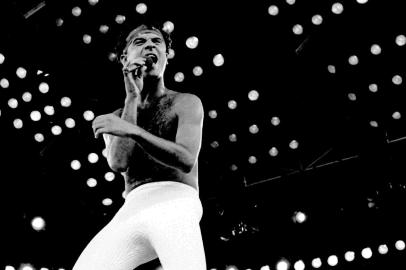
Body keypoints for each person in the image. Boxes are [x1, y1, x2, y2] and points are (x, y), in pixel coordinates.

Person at [73, 22, 206, 270]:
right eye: (140, 42)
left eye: (156, 42)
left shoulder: (186, 102)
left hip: (176, 200)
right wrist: (132, 98)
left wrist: (132, 130)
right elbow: (118, 162)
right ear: (125, 57)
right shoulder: (119, 115)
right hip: (132, 206)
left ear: (166, 56)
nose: (149, 46)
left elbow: (186, 159)